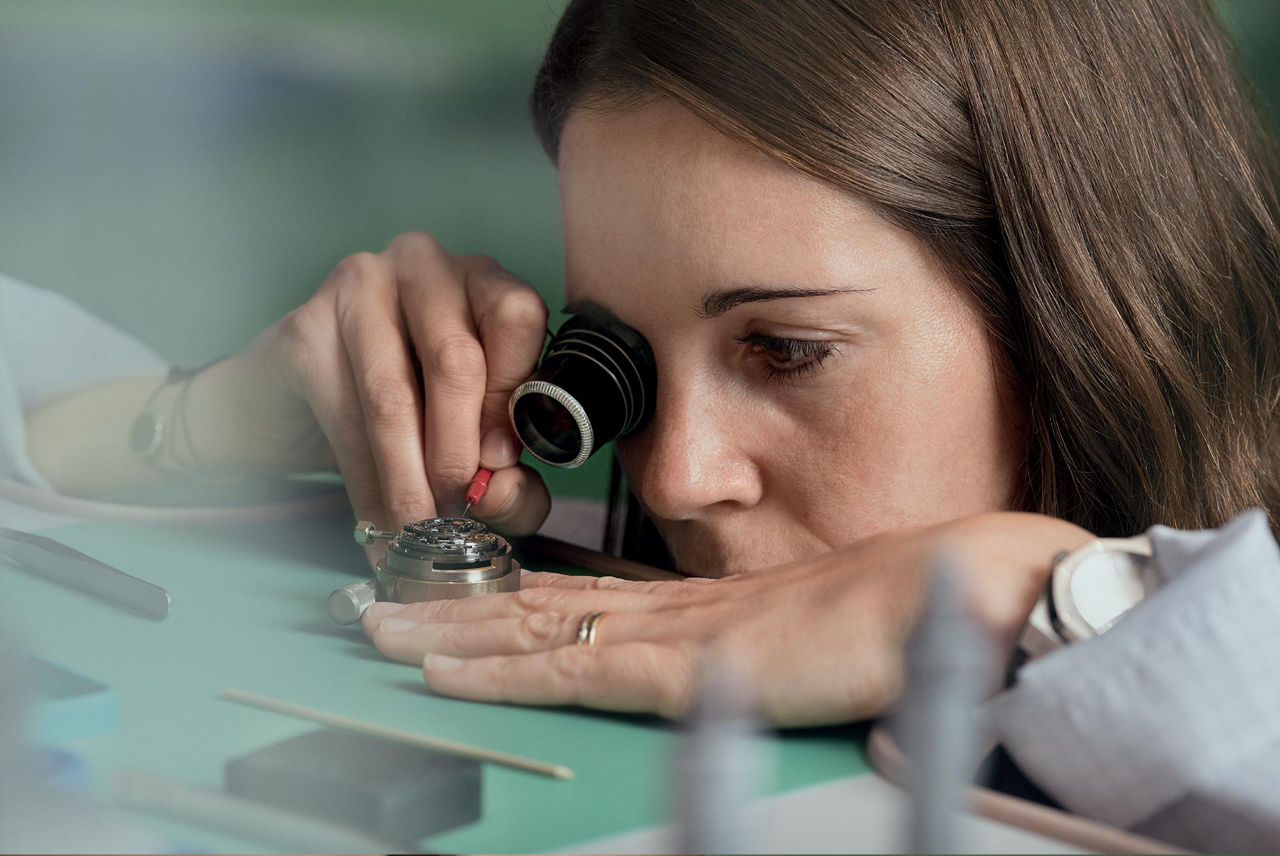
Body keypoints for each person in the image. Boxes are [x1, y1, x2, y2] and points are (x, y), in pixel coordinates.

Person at [16, 0, 1280, 732]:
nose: (673, 477)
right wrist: (201, 421)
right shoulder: (566, 536)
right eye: (613, 362)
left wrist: (1058, 597)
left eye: (786, 350)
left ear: (1081, 316)